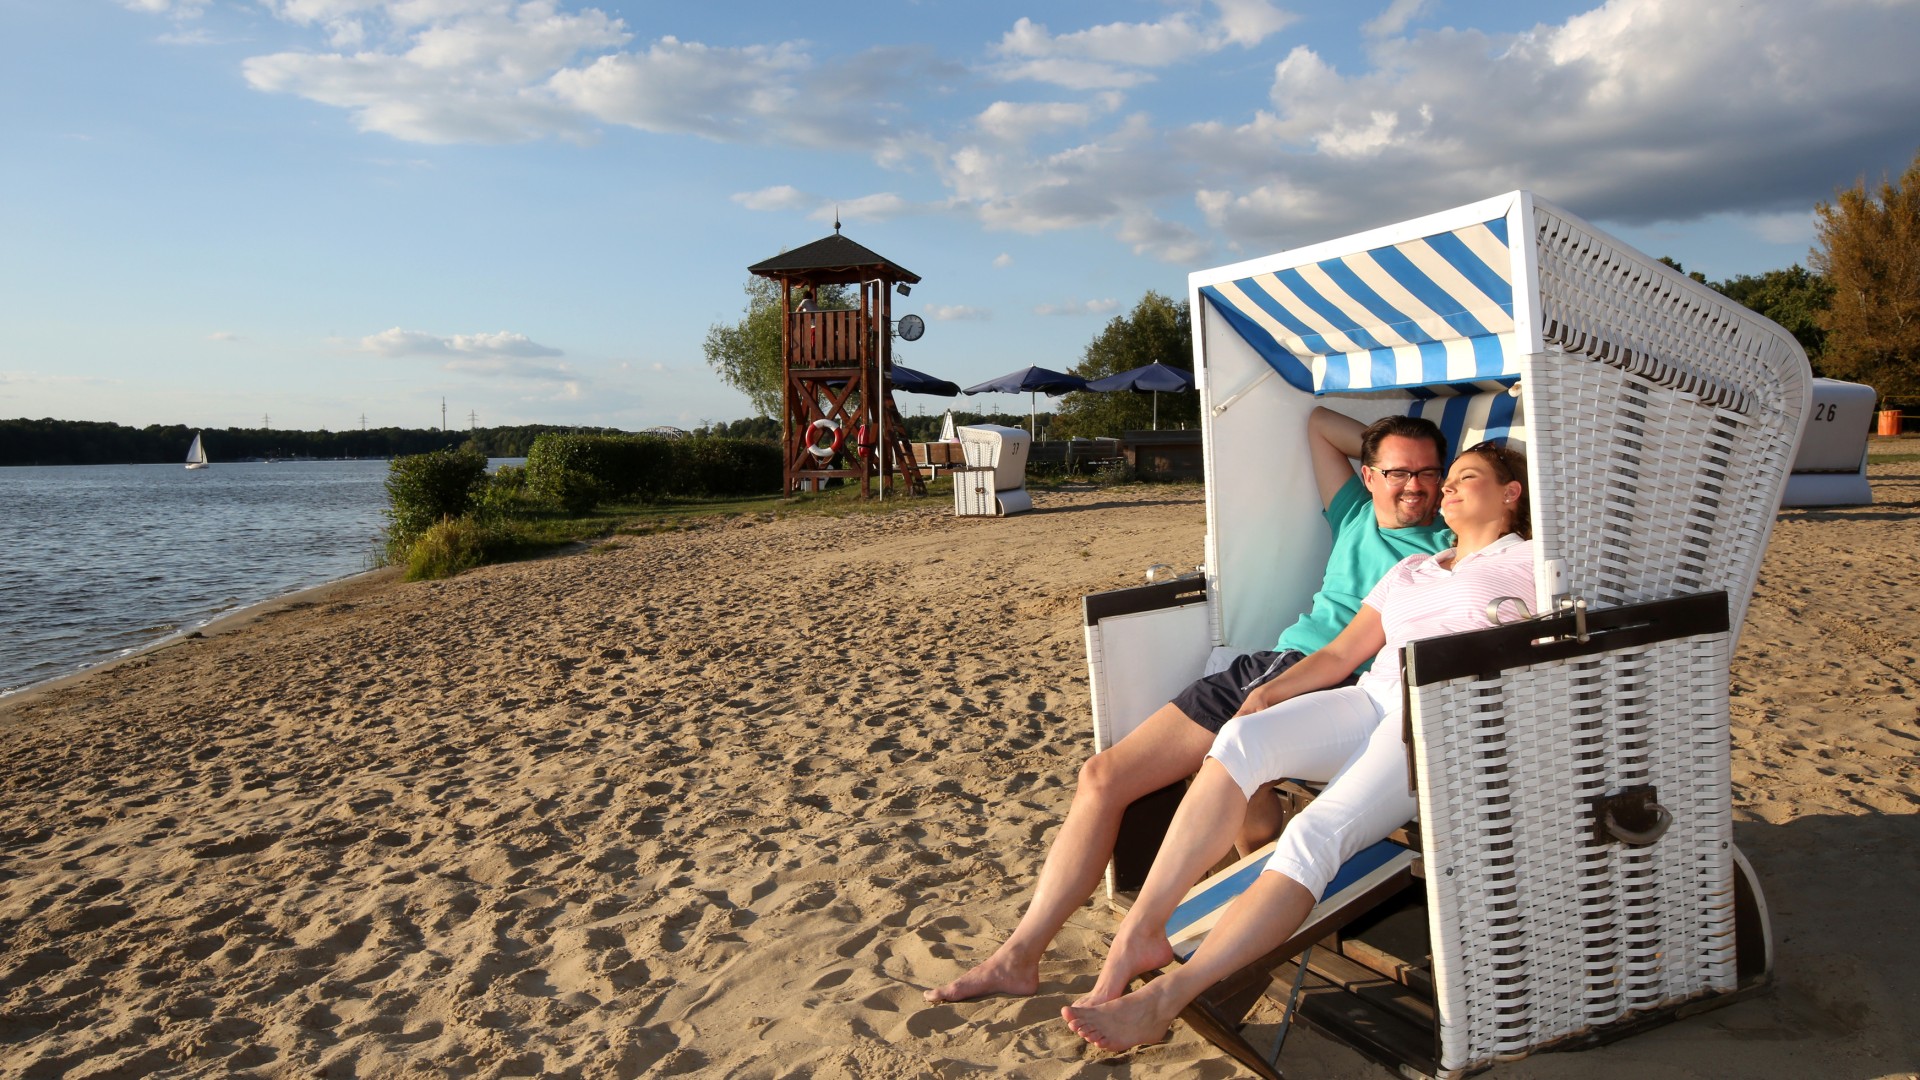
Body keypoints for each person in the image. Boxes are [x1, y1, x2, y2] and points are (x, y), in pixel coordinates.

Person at [925, 407, 1453, 1004]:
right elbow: (1314, 423)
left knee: (1242, 791)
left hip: (1340, 685)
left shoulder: (1450, 545)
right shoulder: (1354, 512)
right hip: (1270, 663)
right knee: (1102, 776)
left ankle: (1239, 936)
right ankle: (1019, 957)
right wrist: (1385, 448)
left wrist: (1423, 470)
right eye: (1398, 473)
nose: (1414, 485)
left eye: (1429, 473)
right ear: (1368, 475)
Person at [1061, 442, 1536, 1051]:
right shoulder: (1413, 570)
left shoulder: (1533, 564)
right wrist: (1264, 698)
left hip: (1436, 723)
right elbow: (1341, 654)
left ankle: (1167, 998)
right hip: (1372, 698)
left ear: (1511, 493)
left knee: (1317, 834)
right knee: (1239, 739)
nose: (1445, 487)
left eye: (1465, 477)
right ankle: (1143, 929)